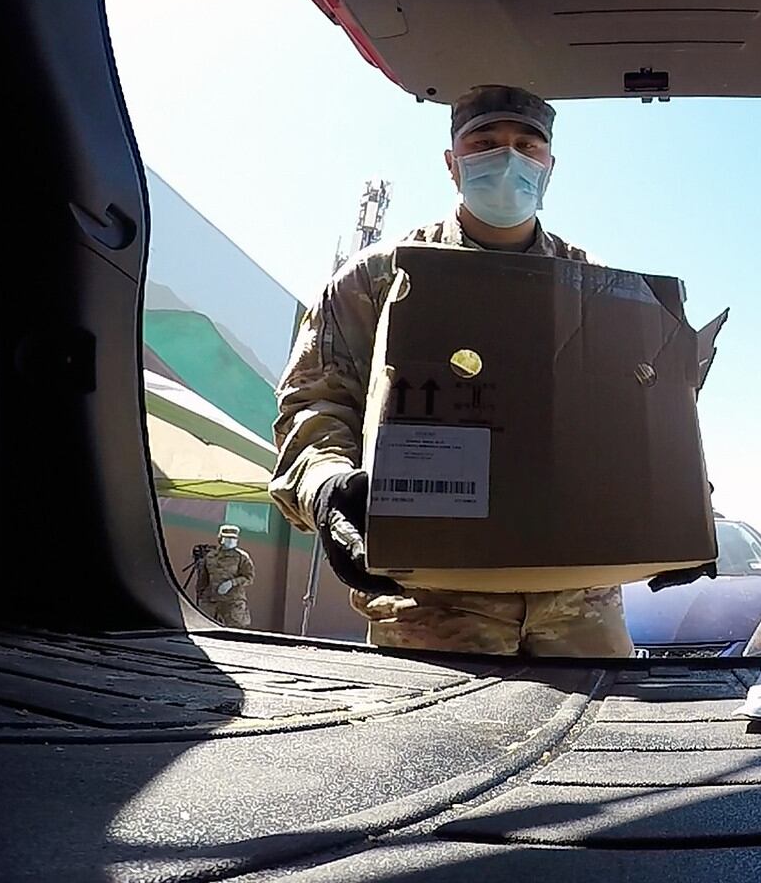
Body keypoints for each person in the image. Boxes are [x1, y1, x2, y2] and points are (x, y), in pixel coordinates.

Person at [269, 84, 635, 657]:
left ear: (548, 166)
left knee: (598, 744)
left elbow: (642, 413)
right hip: (429, 603)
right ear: (452, 162)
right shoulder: (376, 280)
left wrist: (683, 513)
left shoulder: (600, 288)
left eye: (526, 144)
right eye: (484, 142)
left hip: (579, 604)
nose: (507, 158)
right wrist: (326, 487)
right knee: (435, 748)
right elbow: (315, 403)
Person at [188, 523, 255, 627]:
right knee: (204, 629)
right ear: (221, 539)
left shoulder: (241, 557)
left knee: (235, 632)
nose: (231, 541)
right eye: (227, 538)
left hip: (232, 602)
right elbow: (203, 579)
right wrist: (201, 594)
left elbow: (249, 578)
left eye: (234, 538)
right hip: (211, 601)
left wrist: (231, 583)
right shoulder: (211, 556)